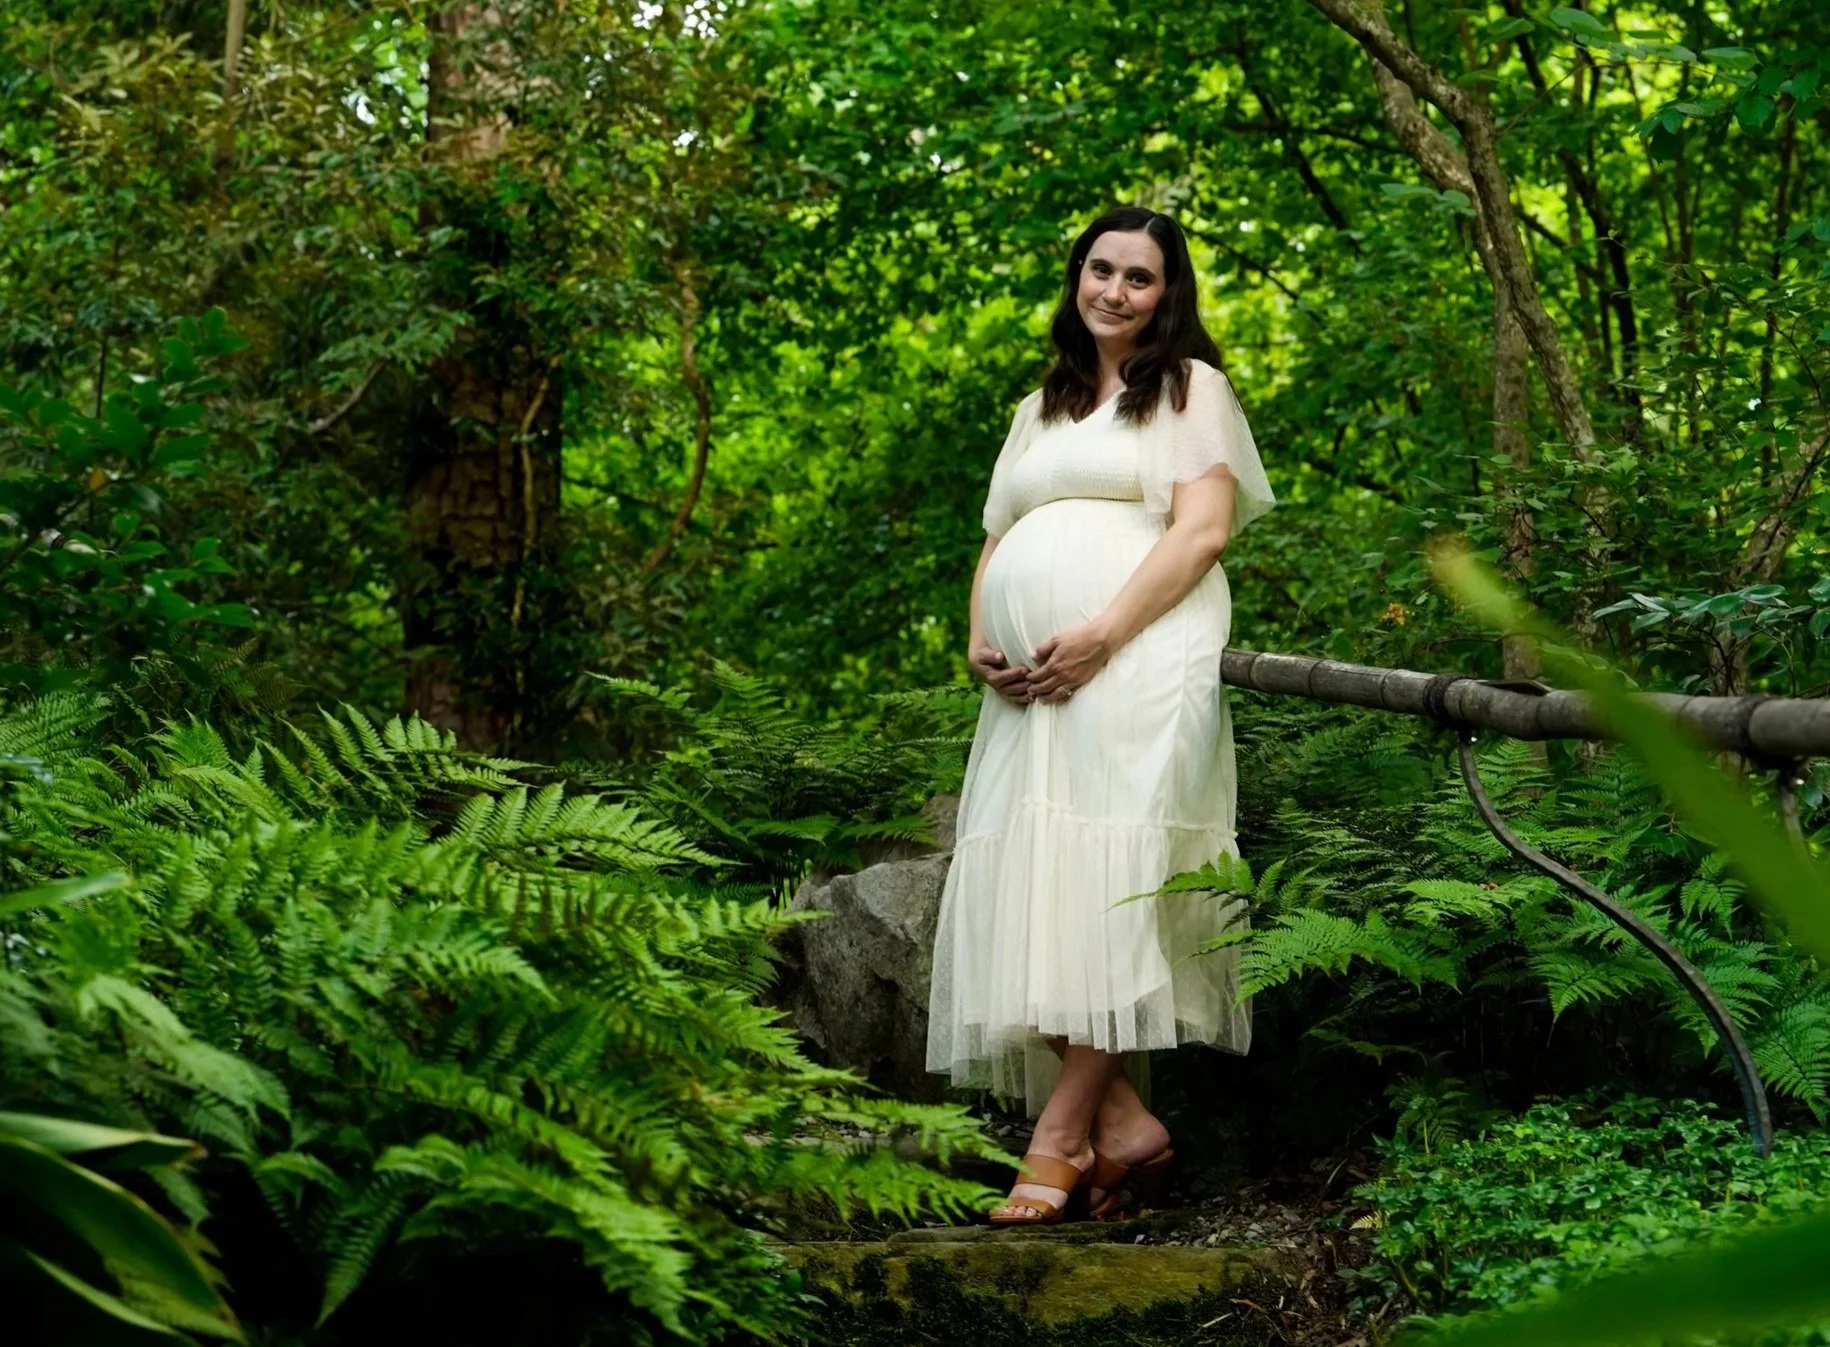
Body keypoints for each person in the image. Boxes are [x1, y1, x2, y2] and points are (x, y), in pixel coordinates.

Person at [925, 205, 1276, 1224]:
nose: (1115, 291)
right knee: (1027, 885)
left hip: (1140, 661)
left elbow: (1202, 533)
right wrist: (978, 636)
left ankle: (1064, 1134)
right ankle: (1125, 1126)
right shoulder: (1040, 407)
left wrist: (1103, 634)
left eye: (1140, 278)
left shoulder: (1188, 390)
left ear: (1169, 295)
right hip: (1031, 687)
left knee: (1112, 881)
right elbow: (999, 536)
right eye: (1101, 270)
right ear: (1075, 277)